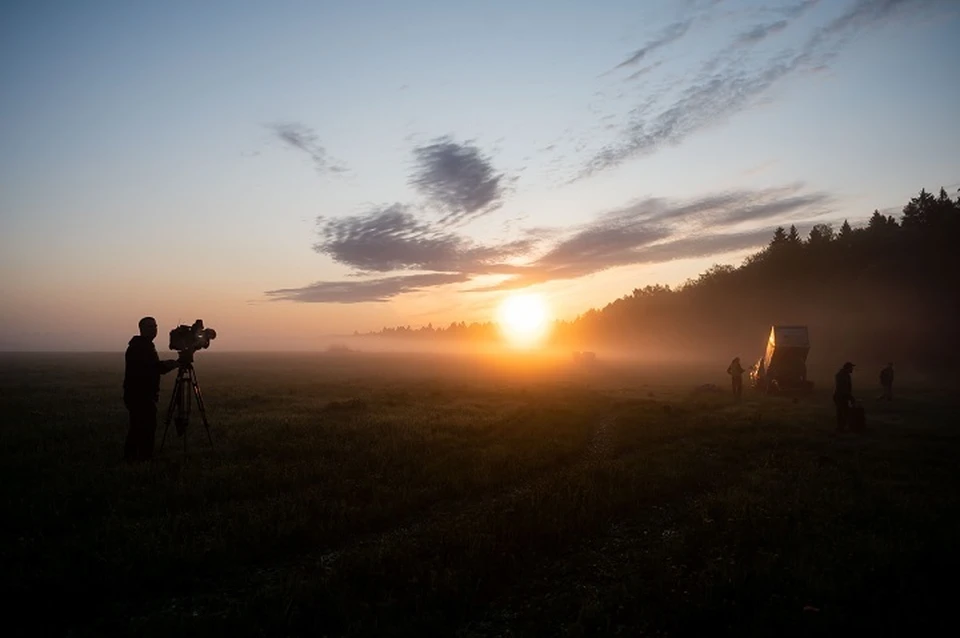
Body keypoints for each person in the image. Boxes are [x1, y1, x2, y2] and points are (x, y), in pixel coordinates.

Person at [123, 316, 179, 462]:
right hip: (141, 395)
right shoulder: (141, 347)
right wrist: (173, 364)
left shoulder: (142, 345)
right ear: (141, 329)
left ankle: (131, 458)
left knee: (137, 428)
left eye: (155, 326)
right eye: (150, 327)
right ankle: (143, 459)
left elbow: (153, 367)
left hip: (138, 394)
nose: (153, 329)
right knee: (144, 428)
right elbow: (153, 368)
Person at [833, 361, 856, 431]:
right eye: (851, 367)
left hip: (843, 395)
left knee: (843, 412)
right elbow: (842, 388)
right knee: (842, 412)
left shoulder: (846, 375)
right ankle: (841, 427)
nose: (852, 369)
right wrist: (849, 396)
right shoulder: (841, 375)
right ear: (847, 368)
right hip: (840, 396)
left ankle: (842, 427)